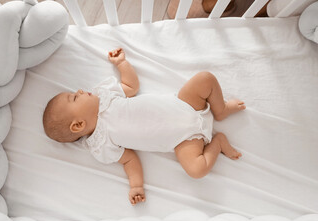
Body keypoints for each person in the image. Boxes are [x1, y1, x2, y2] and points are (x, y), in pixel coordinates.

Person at [43, 48, 246, 205]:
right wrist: (136, 186)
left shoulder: (104, 95)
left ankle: (221, 110)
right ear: (78, 125)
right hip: (184, 141)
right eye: (75, 97)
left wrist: (122, 63)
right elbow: (129, 160)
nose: (80, 90)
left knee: (205, 78)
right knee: (196, 170)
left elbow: (131, 86)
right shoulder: (101, 144)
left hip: (184, 104)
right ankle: (218, 143)